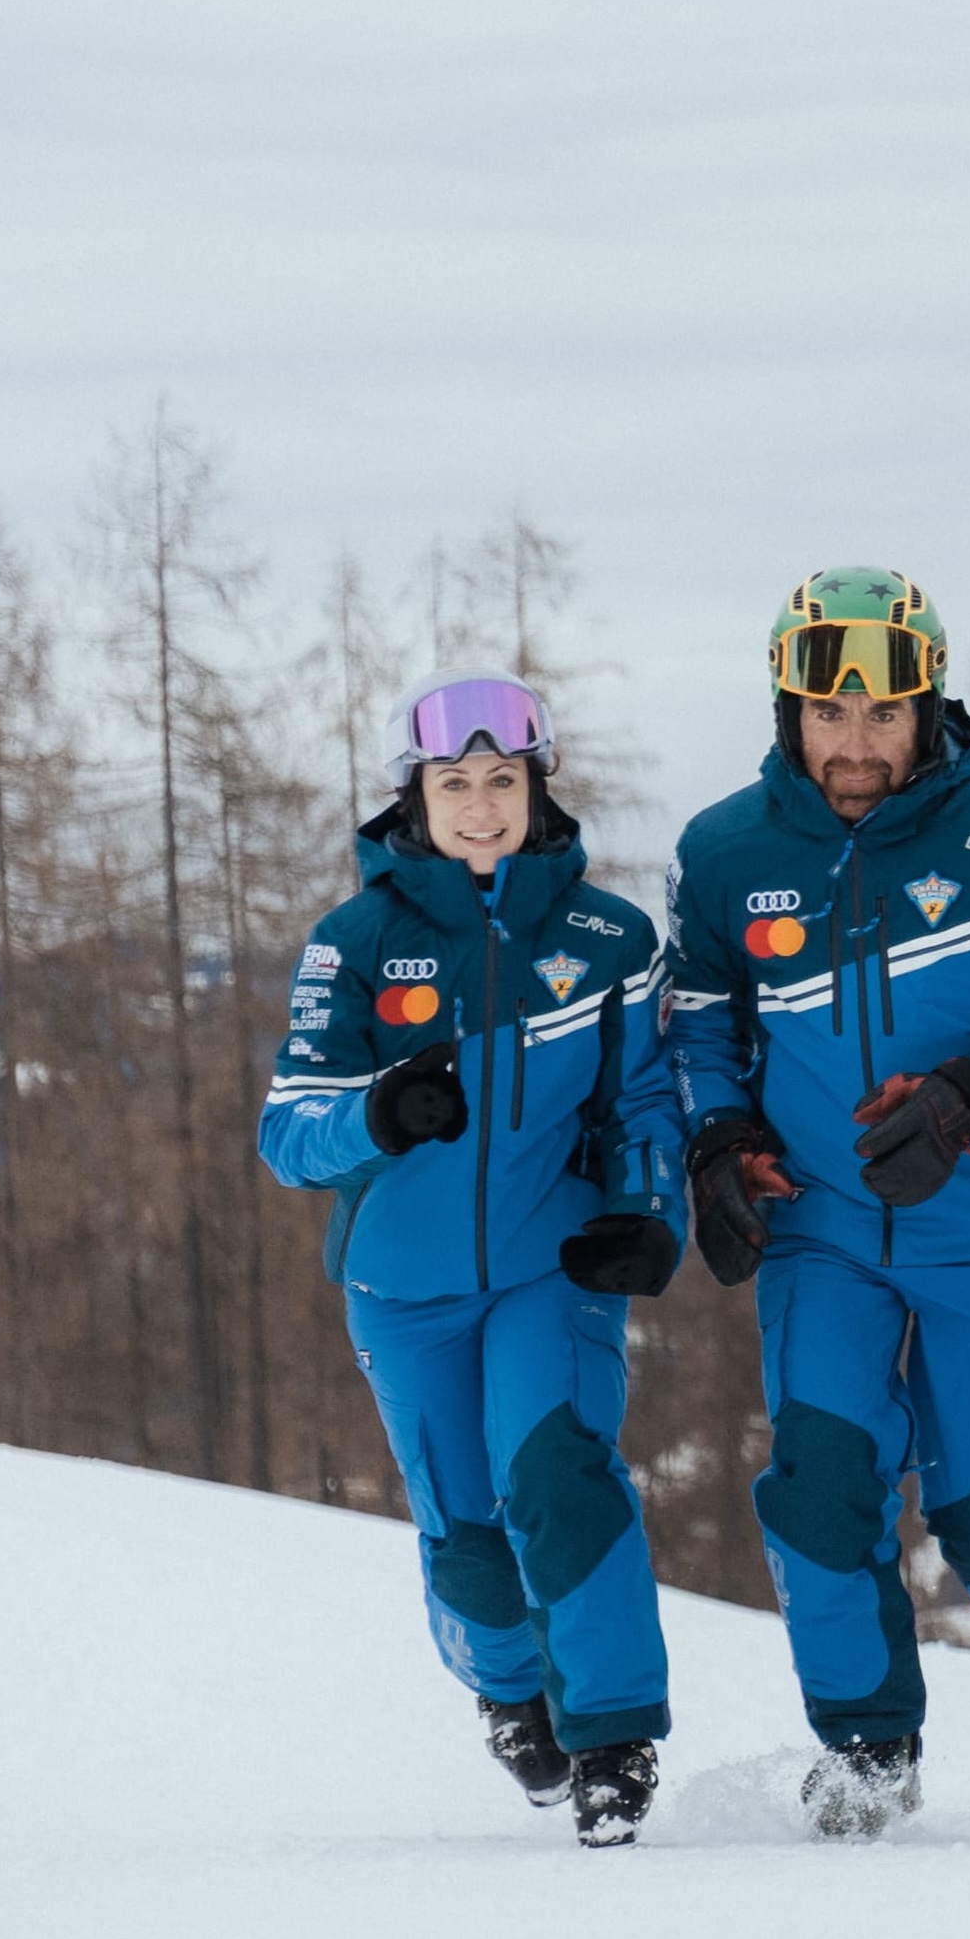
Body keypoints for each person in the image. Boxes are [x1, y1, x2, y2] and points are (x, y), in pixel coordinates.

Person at [666, 567, 970, 1838]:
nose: (853, 745)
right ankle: (869, 1745)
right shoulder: (722, 852)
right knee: (819, 1483)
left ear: (929, 707)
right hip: (819, 1232)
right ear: (787, 709)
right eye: (827, 714)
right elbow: (702, 1023)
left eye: (881, 715)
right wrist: (717, 1138)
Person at [256, 672, 686, 1844]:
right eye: (455, 782)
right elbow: (288, 1130)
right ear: (417, 796)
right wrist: (379, 1116)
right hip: (402, 1290)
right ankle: (510, 1696)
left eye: (504, 779)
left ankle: (613, 1738)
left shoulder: (609, 938)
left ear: (539, 788)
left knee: (558, 1479)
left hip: (553, 1271)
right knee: (468, 1536)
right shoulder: (354, 942)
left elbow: (644, 1103)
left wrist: (648, 1212)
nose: (482, 804)